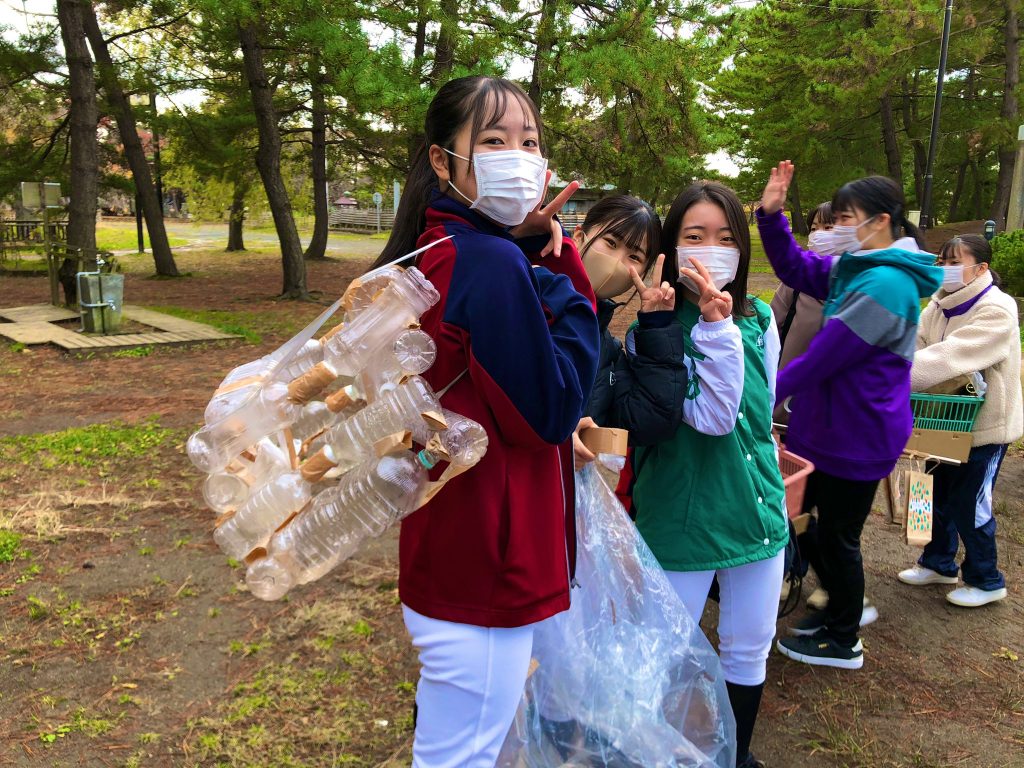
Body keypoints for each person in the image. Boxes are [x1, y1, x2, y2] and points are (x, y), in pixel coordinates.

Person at [369, 75, 601, 767]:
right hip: (490, 559)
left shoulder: (436, 247)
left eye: (529, 141)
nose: (519, 156)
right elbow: (553, 412)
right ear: (443, 161)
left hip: (453, 539)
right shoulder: (493, 262)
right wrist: (564, 276)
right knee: (460, 756)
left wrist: (525, 256)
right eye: (494, 140)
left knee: (451, 747)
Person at [614, 181, 785, 768]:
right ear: (670, 245)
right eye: (694, 237)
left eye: (725, 237)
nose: (711, 250)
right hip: (682, 511)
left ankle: (737, 754)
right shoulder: (653, 332)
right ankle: (652, 754)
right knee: (661, 649)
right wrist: (710, 329)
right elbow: (710, 418)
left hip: (756, 507)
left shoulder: (760, 316)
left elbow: (758, 412)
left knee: (747, 649)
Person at [756, 162, 942, 670]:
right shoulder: (858, 268)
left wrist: (758, 394)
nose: (835, 227)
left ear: (880, 221)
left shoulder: (886, 285)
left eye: (845, 218)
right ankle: (843, 603)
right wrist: (771, 215)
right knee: (808, 526)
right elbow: (796, 269)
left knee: (834, 535)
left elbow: (823, 358)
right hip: (827, 430)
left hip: (856, 436)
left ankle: (843, 638)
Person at [899, 234, 1023, 607]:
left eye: (956, 262)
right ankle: (936, 562)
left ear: (981, 268)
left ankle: (986, 579)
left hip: (983, 428)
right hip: (940, 420)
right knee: (929, 493)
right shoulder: (938, 305)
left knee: (970, 501)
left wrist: (890, 375)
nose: (946, 269)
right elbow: (917, 344)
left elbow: (951, 356)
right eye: (943, 261)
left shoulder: (996, 309)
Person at [771, 201, 877, 625]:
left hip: (837, 421)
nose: (822, 233)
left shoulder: (865, 289)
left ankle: (843, 602)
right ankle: (792, 571)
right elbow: (770, 324)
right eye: (816, 226)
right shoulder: (801, 281)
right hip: (789, 411)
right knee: (790, 503)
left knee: (834, 524)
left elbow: (829, 360)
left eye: (833, 225)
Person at [569, 194, 662, 471]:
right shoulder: (530, 299)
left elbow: (646, 424)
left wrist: (657, 328)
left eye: (633, 256)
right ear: (579, 237)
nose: (616, 262)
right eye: (610, 243)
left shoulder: (608, 350)